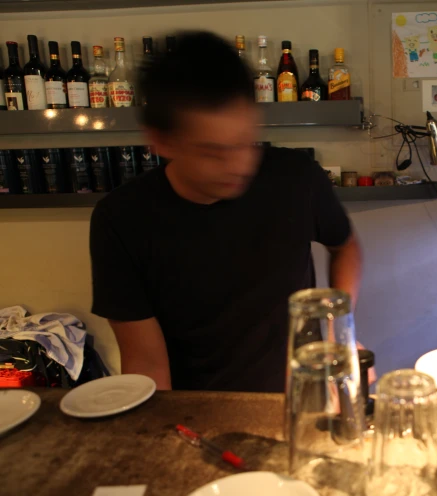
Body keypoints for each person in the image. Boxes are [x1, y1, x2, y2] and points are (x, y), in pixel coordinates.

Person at [89, 32, 362, 393]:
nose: (239, 165)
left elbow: (345, 247)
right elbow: (146, 362)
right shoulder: (121, 219)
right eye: (213, 152)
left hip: (299, 397)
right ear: (161, 141)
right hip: (197, 409)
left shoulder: (296, 177)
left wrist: (339, 331)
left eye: (245, 142)